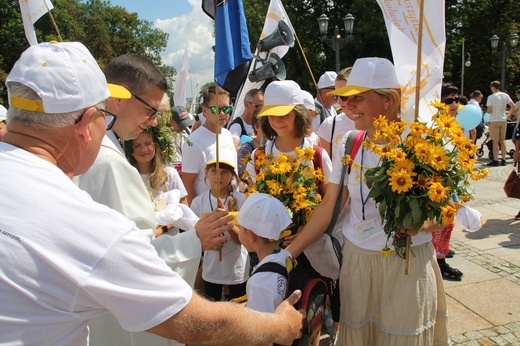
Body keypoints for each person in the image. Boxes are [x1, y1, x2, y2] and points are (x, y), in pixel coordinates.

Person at [0, 40, 304, 346]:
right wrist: (277, 326)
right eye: (104, 116)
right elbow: (195, 324)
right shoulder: (82, 218)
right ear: (86, 123)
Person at [286, 57, 449, 345]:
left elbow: (447, 212)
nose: (347, 106)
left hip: (406, 265)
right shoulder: (349, 142)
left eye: (357, 98)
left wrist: (419, 224)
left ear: (387, 101)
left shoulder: (420, 142)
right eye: (344, 98)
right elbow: (329, 206)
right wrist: (288, 254)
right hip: (358, 263)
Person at [70, 53, 223, 345]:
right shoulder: (109, 162)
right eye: (151, 110)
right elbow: (133, 261)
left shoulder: (94, 150)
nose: (153, 122)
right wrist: (195, 239)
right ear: (118, 100)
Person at [245, 80, 332, 188]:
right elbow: (254, 199)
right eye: (271, 115)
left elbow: (329, 200)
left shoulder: (318, 156)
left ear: (299, 115)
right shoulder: (257, 157)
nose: (278, 121)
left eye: (285, 114)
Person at [190, 148, 249, 302]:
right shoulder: (199, 202)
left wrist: (228, 219)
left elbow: (244, 240)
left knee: (239, 311)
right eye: (214, 171)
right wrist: (208, 243)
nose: (218, 177)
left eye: (224, 172)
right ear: (206, 173)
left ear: (232, 176)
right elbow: (194, 238)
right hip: (211, 269)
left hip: (237, 269)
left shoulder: (241, 200)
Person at [181, 83, 237, 205]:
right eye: (216, 109)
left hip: (231, 207)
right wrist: (197, 217)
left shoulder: (227, 135)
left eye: (227, 109)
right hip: (207, 212)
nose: (223, 113)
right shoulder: (194, 141)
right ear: (204, 111)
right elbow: (187, 184)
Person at [237, 193, 293, 313]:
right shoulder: (286, 257)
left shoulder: (259, 283)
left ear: (251, 236)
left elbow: (259, 328)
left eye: (239, 227)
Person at [316, 67, 356, 161]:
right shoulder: (329, 125)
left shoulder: (377, 124)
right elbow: (325, 167)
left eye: (343, 96)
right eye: (336, 96)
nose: (338, 101)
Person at [486, 80, 516, 166]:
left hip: (494, 120)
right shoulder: (505, 95)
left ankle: (496, 160)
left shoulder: (491, 97)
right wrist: (508, 115)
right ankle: (503, 159)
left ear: (493, 87)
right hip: (503, 120)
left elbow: (489, 110)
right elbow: (513, 106)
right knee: (502, 141)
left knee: (495, 142)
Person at [169, 104, 194, 175]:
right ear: (170, 121)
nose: (183, 128)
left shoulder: (186, 134)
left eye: (185, 124)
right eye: (180, 125)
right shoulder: (162, 138)